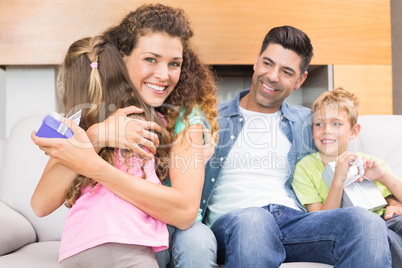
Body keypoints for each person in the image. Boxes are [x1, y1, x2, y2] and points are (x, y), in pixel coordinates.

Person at [31, 3, 219, 267]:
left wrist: (91, 164)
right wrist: (96, 137)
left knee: (198, 239)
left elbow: (186, 212)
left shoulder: (187, 116)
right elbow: (40, 204)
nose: (164, 75)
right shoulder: (95, 112)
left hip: (174, 228)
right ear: (122, 57)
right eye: (150, 59)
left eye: (174, 63)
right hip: (120, 235)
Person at [199, 26, 392, 267]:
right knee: (254, 221)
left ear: (300, 80)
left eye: (286, 71)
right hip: (236, 223)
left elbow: (346, 158)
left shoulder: (309, 122)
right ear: (256, 62)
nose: (272, 76)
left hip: (294, 222)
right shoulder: (209, 117)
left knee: (366, 223)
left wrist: (392, 200)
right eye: (267, 63)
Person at [49, 35, 171, 267]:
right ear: (123, 73)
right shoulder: (146, 122)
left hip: (74, 248)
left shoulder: (72, 131)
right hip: (125, 242)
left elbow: (41, 202)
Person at [292, 87, 402, 268]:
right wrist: (338, 180)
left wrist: (382, 176)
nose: (326, 130)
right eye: (319, 124)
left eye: (336, 124)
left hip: (388, 222)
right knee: (381, 237)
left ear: (354, 131)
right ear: (312, 131)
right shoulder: (305, 168)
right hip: (356, 230)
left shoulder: (370, 163)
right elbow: (320, 223)